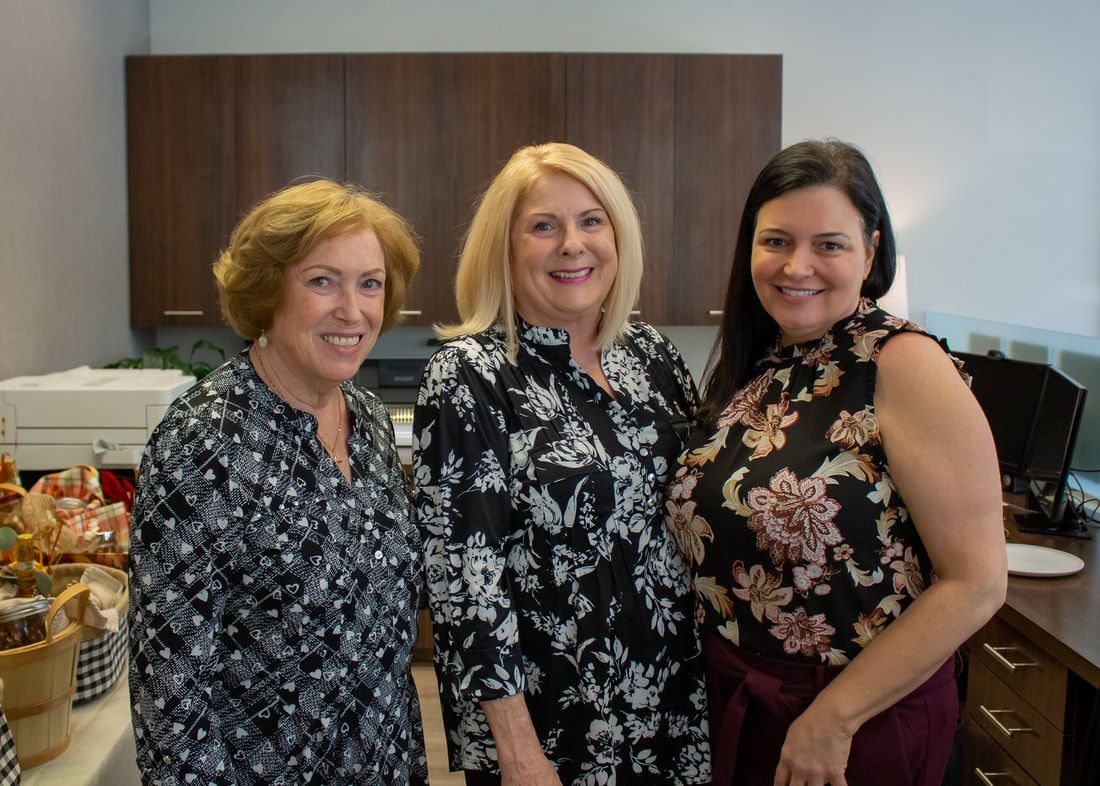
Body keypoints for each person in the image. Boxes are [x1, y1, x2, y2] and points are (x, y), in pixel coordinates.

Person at [664, 139, 1008, 786]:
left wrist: (836, 719)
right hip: (739, 699)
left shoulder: (902, 365)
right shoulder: (759, 363)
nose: (798, 266)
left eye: (829, 243)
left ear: (871, 251)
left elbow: (978, 582)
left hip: (855, 722)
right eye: (775, 242)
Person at [413, 142, 710, 785]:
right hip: (551, 726)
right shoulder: (472, 374)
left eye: (591, 220)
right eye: (543, 226)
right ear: (505, 248)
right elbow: (467, 580)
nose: (572, 244)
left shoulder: (652, 356)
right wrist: (518, 750)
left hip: (671, 707)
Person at [129, 179, 427, 785]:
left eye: (369, 283)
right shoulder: (203, 441)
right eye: (322, 281)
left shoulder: (366, 420)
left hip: (387, 764)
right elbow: (169, 694)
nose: (353, 310)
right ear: (267, 292)